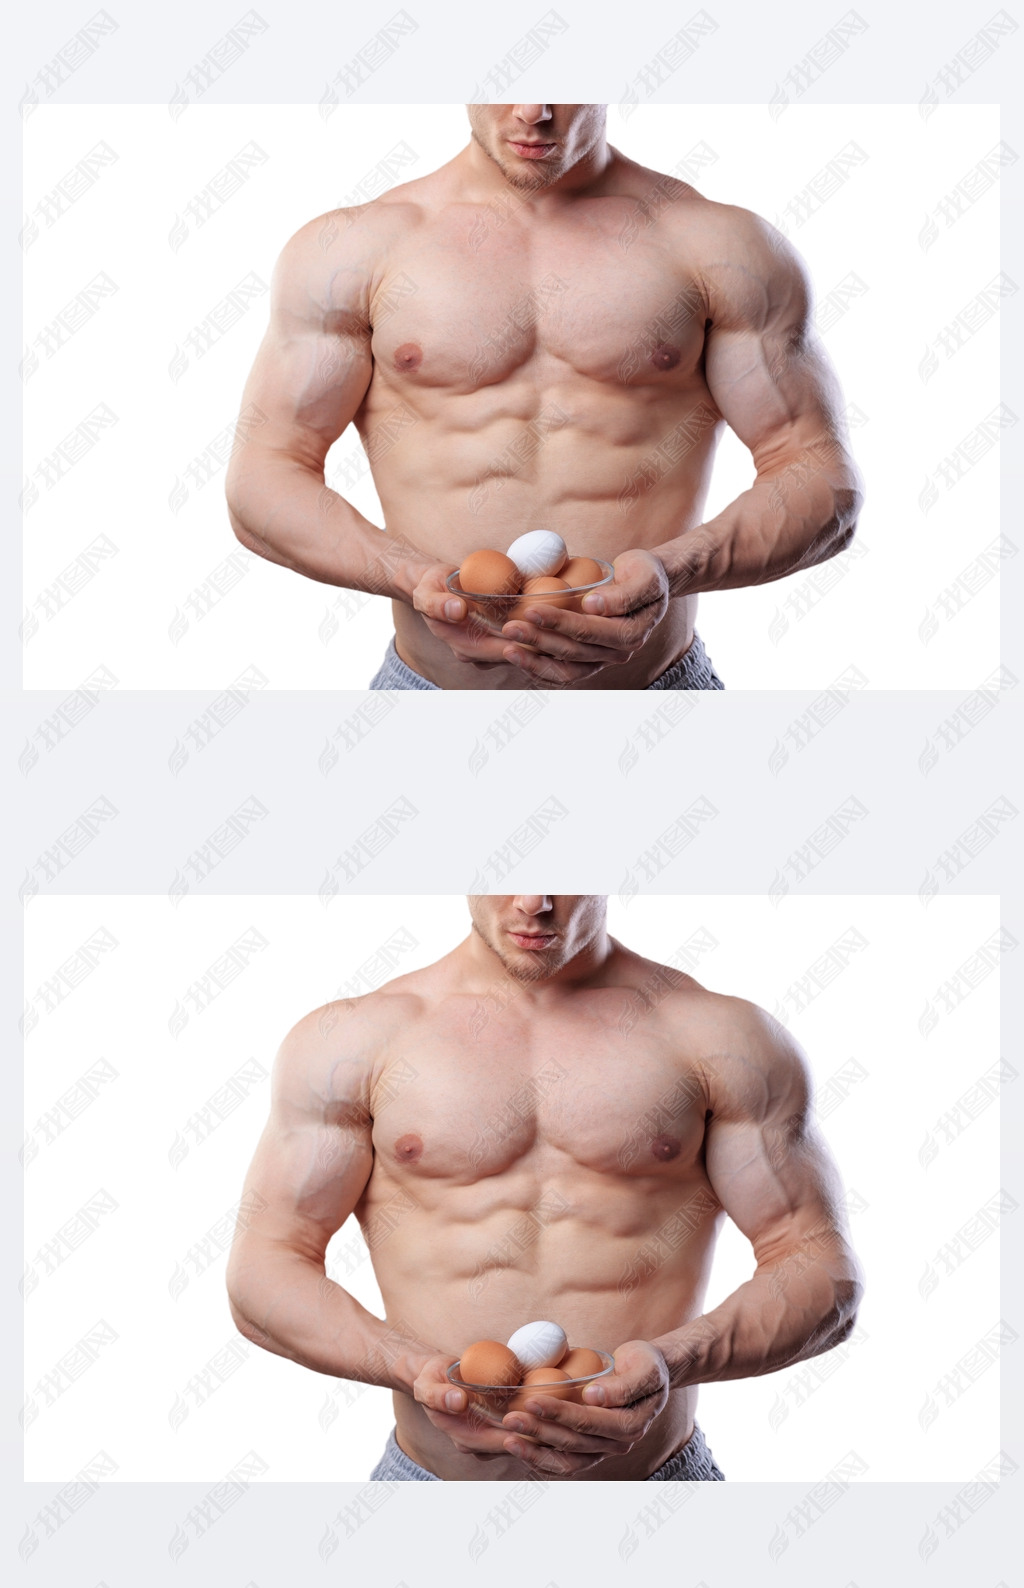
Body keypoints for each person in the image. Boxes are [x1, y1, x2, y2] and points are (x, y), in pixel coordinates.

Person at [225, 104, 863, 691]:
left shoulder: (719, 246)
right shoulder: (354, 250)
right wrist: (412, 579)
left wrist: (672, 572)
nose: (535, 111)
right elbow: (264, 476)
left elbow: (818, 477)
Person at [225, 896, 864, 1480]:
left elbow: (818, 1267)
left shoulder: (720, 1038)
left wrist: (672, 1363)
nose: (536, 902)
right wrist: (412, 1370)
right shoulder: (355, 1041)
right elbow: (265, 1268)